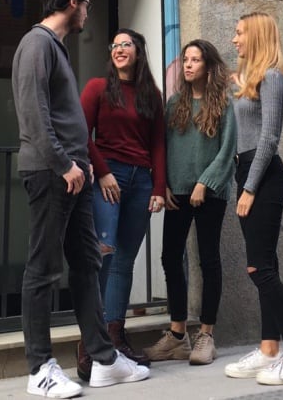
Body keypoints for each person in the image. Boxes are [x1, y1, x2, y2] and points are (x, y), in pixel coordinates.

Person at [12, 0, 150, 398]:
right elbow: (33, 113)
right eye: (87, 5)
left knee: (87, 262)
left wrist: (83, 165)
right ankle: (39, 368)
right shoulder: (36, 44)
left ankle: (104, 359)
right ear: (73, 2)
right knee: (42, 269)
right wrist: (64, 164)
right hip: (53, 173)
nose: (88, 13)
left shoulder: (57, 49)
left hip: (74, 175)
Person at [223, 12, 283, 386]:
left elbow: (270, 138)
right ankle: (268, 349)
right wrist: (242, 86)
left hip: (264, 178)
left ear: (257, 36)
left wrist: (249, 189)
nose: (235, 40)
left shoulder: (274, 78)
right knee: (265, 265)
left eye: (240, 33)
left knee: (260, 269)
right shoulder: (255, 80)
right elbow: (250, 126)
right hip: (248, 172)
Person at [77, 28, 166, 376]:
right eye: (114, 44)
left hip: (141, 181)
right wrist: (101, 172)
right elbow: (80, 133)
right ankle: (90, 341)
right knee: (103, 253)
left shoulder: (151, 95)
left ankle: (115, 336)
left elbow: (158, 143)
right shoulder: (97, 88)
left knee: (125, 260)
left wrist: (159, 187)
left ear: (139, 52)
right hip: (108, 177)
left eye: (125, 44)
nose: (118, 49)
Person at [144, 40, 237, 366]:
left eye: (195, 60)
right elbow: (163, 147)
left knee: (208, 260)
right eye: (186, 59)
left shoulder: (223, 104)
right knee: (171, 257)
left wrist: (204, 183)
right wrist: (165, 183)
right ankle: (177, 335)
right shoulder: (174, 104)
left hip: (209, 194)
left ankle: (206, 336)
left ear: (208, 66)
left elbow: (228, 151)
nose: (188, 65)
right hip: (177, 192)